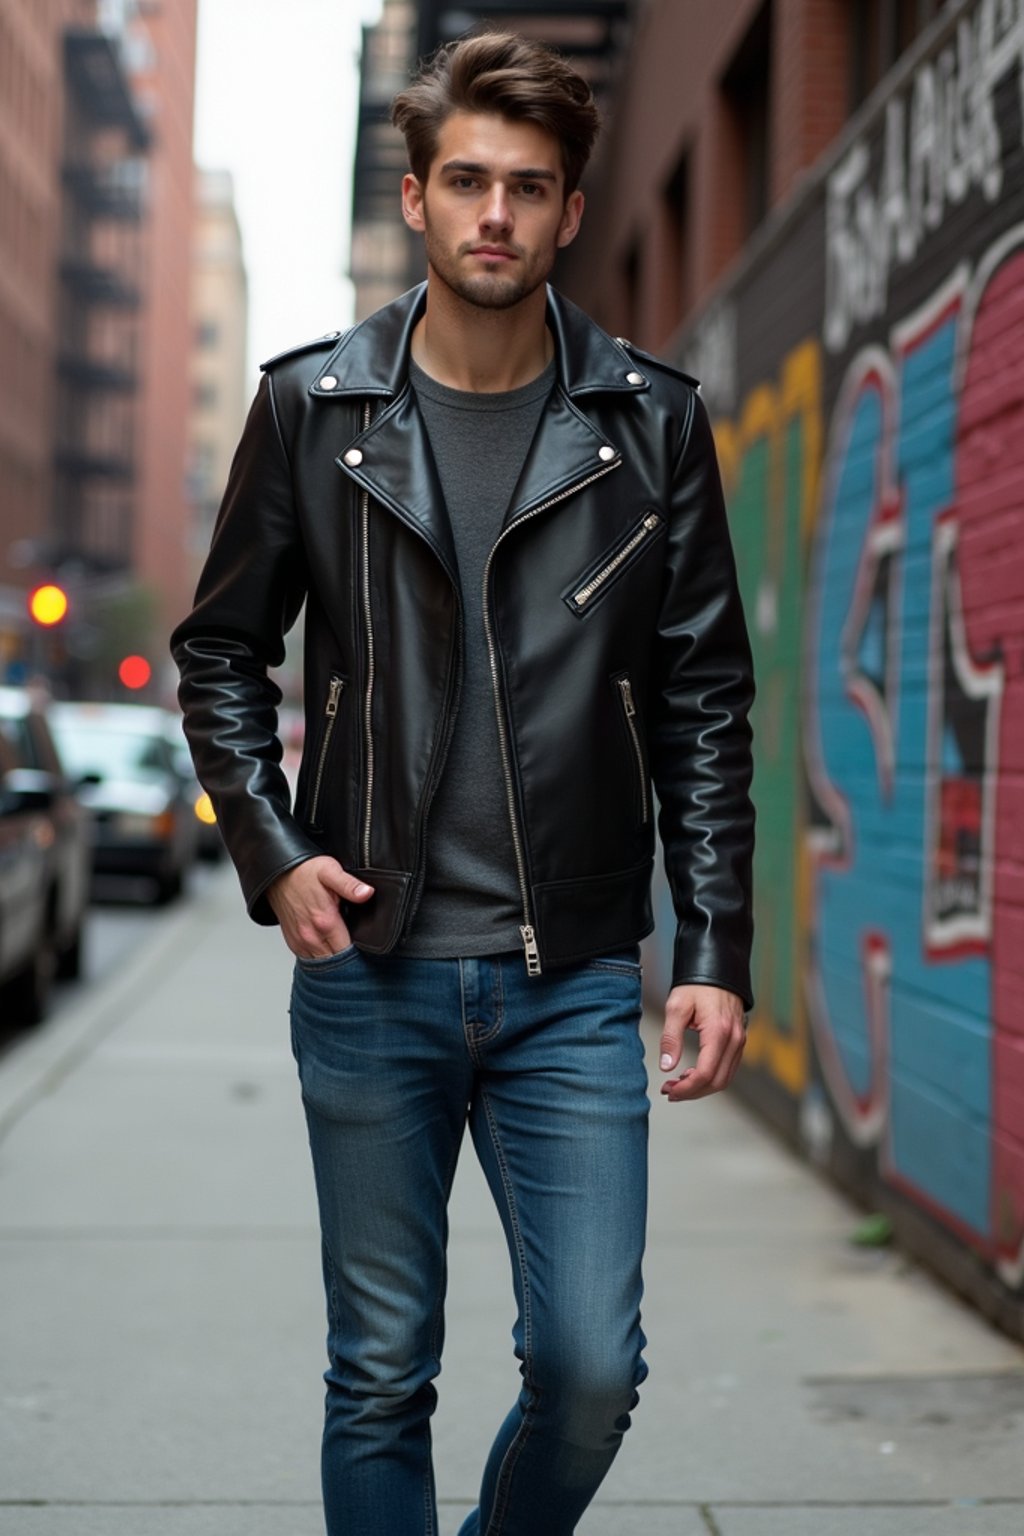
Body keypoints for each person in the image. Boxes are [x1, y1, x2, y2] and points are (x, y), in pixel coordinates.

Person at [171, 30, 755, 1536]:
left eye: (533, 188)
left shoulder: (650, 425)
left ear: (569, 214)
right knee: (378, 1374)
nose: (498, 213)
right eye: (470, 182)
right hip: (371, 965)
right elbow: (221, 650)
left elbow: (705, 700)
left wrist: (714, 951)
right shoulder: (313, 414)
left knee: (587, 1368)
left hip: (568, 980)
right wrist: (272, 845)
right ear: (420, 197)